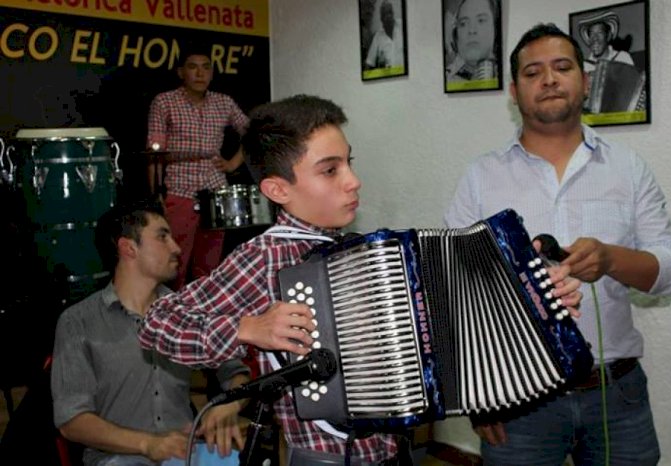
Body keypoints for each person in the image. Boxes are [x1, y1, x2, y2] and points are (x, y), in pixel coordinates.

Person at [137, 94, 581, 465]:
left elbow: (443, 333)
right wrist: (246, 328)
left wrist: (538, 300)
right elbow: (158, 324)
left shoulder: (364, 254)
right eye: (330, 170)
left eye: (348, 163)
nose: (353, 181)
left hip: (394, 453)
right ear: (277, 190)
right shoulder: (266, 256)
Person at [444, 23, 671, 465]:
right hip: (518, 400)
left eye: (562, 67)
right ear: (514, 92)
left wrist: (611, 259)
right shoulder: (480, 177)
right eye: (533, 72)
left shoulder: (629, 169)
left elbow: (670, 271)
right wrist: (474, 397)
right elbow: (455, 293)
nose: (549, 80)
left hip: (617, 397)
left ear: (585, 79)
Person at [51, 200, 250, 466]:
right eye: (162, 237)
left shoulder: (188, 313)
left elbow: (237, 374)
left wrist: (229, 406)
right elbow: (72, 421)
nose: (177, 248)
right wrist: (148, 444)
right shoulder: (79, 321)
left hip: (185, 454)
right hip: (116, 459)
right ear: (128, 248)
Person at [147, 44, 249, 290]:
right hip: (179, 190)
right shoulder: (165, 102)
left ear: (212, 73)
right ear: (181, 72)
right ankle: (171, 314)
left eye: (206, 68)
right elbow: (154, 153)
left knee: (211, 263)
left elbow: (253, 132)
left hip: (215, 190)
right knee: (174, 261)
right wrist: (156, 194)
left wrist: (233, 162)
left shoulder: (223, 103)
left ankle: (204, 316)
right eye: (193, 67)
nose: (200, 74)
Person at [445, 0, 500, 82]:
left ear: (495, 28)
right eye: (463, 23)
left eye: (481, 20)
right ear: (456, 35)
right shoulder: (447, 79)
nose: (471, 30)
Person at [364, 0, 404, 69]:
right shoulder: (378, 37)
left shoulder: (402, 26)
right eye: (386, 14)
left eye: (390, 12)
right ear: (381, 19)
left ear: (393, 13)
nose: (389, 16)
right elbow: (369, 63)